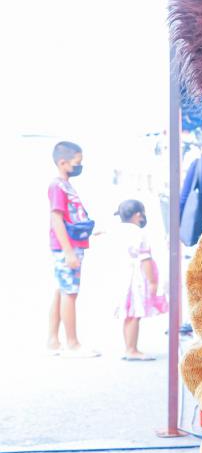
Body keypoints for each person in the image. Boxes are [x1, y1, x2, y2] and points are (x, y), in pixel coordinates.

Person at [46, 140, 98, 358]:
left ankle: (53, 341)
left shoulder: (65, 185)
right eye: (77, 162)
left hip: (71, 245)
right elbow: (56, 219)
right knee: (70, 293)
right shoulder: (57, 186)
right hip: (67, 248)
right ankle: (73, 344)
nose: (79, 166)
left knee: (62, 290)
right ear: (63, 162)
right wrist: (68, 251)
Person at [114, 199, 166, 361]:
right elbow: (145, 260)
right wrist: (152, 281)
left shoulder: (118, 231)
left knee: (128, 314)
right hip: (135, 279)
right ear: (138, 215)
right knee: (135, 314)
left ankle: (128, 347)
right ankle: (132, 349)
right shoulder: (139, 233)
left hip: (122, 277)